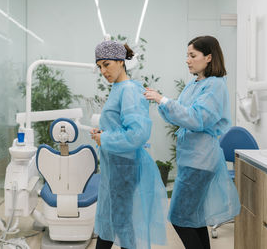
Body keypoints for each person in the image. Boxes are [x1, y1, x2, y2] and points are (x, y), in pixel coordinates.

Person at [144, 35, 241, 249]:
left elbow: (197, 119)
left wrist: (163, 99)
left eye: (192, 55)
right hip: (191, 158)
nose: (187, 60)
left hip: (200, 160)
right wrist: (160, 102)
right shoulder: (195, 84)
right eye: (187, 55)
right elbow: (180, 114)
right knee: (194, 219)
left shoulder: (215, 85)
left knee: (179, 217)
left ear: (208, 57)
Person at [90, 40, 168, 249]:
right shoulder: (118, 88)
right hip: (115, 164)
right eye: (99, 67)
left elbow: (137, 134)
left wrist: (104, 139)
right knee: (115, 220)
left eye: (106, 64)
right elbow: (120, 126)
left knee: (120, 222)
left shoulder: (129, 90)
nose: (103, 71)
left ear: (120, 61)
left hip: (123, 165)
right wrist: (103, 134)